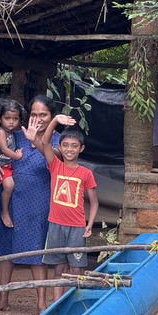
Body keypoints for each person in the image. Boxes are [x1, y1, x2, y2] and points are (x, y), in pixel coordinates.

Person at [0, 95, 60, 313]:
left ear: (52, 116)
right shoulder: (14, 135)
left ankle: (41, 303)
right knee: (5, 250)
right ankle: (2, 300)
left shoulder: (57, 139)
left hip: (39, 199)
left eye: (43, 115)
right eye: (34, 114)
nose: (38, 119)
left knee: (38, 252)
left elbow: (53, 159)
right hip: (10, 196)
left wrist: (36, 138)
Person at [27, 113, 98, 302]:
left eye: (74, 146)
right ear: (59, 147)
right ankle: (56, 305)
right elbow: (45, 141)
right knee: (59, 268)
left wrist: (89, 224)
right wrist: (55, 121)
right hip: (55, 225)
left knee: (76, 269)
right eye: (65, 145)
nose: (69, 149)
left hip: (77, 227)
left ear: (81, 149)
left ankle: (75, 304)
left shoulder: (85, 173)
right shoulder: (55, 165)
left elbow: (94, 202)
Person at [0, 98, 24, 228]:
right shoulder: (0, 132)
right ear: (0, 118)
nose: (11, 122)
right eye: (7, 118)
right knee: (9, 186)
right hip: (1, 166)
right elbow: (4, 149)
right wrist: (17, 156)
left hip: (7, 165)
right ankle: (4, 212)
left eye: (15, 119)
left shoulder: (10, 133)